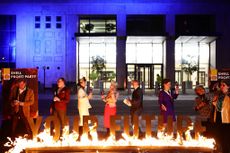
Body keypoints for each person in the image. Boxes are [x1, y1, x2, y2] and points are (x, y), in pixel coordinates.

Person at [212, 80, 230, 153]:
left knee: (226, 139)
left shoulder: (229, 95)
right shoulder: (220, 95)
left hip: (227, 120)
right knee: (219, 138)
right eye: (221, 85)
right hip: (219, 119)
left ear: (228, 86)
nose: (221, 86)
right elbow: (217, 106)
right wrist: (215, 100)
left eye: (224, 85)